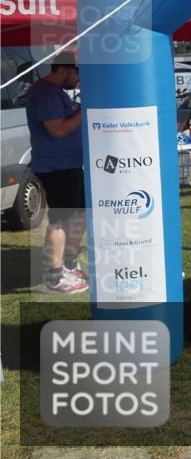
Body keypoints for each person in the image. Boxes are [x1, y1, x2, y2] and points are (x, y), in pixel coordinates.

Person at [24, 55, 87, 294]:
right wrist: (84, 110)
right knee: (60, 220)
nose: (78, 78)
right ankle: (54, 277)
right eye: (76, 73)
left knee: (79, 215)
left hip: (69, 165)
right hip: (55, 167)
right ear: (63, 69)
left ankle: (69, 264)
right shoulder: (46, 92)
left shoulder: (55, 91)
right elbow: (58, 130)